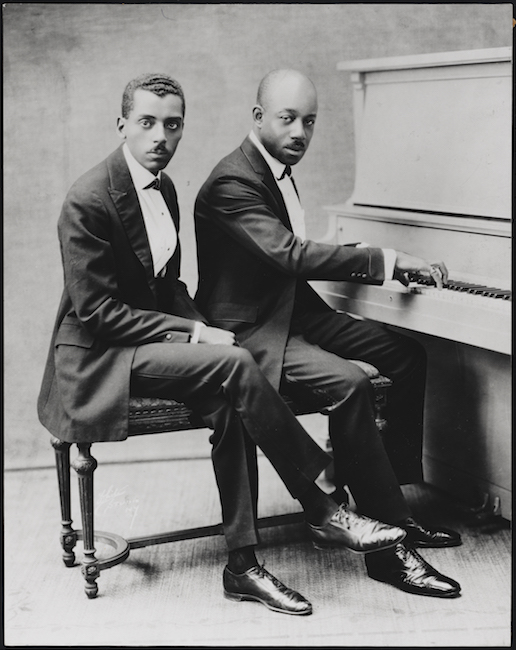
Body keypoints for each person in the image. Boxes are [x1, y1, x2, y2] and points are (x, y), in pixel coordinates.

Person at [38, 72, 421, 617]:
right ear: (121, 125)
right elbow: (99, 314)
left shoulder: (164, 187)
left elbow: (168, 286)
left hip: (147, 341)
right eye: (146, 124)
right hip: (101, 355)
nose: (159, 138)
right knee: (235, 363)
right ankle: (324, 502)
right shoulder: (88, 198)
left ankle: (242, 566)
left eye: (173, 126)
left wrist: (202, 327)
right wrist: (198, 333)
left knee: (228, 401)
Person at [194, 68, 463, 603]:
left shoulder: (274, 168)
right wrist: (382, 260)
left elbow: (289, 252)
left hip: (293, 306)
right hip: (253, 325)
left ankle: (390, 498)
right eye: (287, 118)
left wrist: (368, 260)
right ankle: (390, 542)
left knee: (404, 355)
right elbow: (289, 253)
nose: (300, 132)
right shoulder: (232, 180)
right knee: (349, 384)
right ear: (257, 117)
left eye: (309, 121)